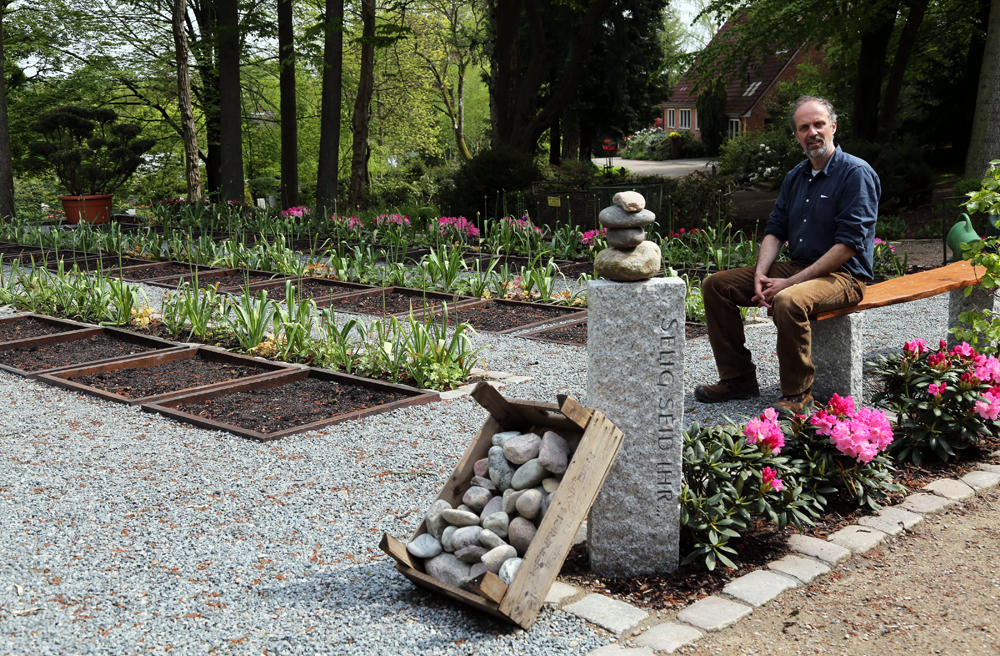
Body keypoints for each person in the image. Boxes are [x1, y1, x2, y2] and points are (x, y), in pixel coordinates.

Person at [694, 96, 880, 413]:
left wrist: (790, 282)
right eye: (804, 127)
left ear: (833, 127)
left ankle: (797, 394)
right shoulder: (796, 176)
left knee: (788, 299)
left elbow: (849, 245)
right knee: (716, 285)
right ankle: (738, 378)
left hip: (845, 276)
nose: (813, 132)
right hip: (799, 267)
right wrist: (760, 275)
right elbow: (776, 229)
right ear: (796, 135)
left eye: (819, 124)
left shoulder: (855, 174)